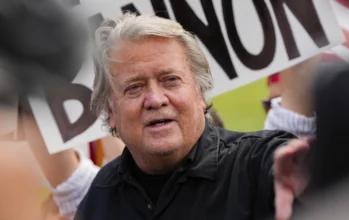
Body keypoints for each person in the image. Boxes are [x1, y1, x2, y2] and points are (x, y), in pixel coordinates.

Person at [73, 13, 310, 220]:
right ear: (111, 112)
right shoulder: (99, 199)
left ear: (200, 94)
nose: (156, 99)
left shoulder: (262, 165)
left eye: (170, 80)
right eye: (134, 87)